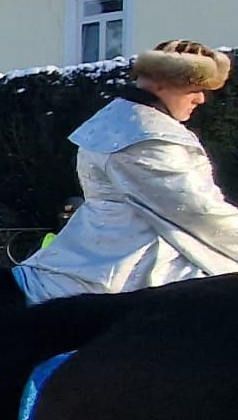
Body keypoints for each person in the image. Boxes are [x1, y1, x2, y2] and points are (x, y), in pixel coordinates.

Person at [15, 39, 237, 301]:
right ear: (159, 83)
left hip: (109, 250)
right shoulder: (145, 136)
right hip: (130, 267)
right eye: (193, 88)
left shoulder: (126, 122)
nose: (201, 99)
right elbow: (198, 211)